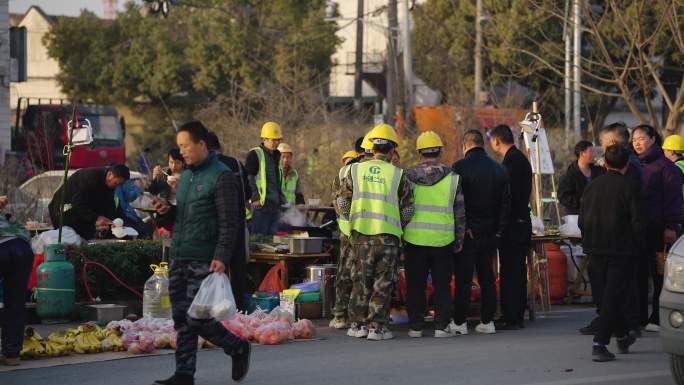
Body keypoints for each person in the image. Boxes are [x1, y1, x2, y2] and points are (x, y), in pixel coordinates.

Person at [152, 121, 250, 385]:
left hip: (205, 258)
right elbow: (184, 216)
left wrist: (221, 256)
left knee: (198, 318)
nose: (181, 151)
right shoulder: (186, 178)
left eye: (185, 146)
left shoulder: (222, 176)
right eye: (180, 146)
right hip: (180, 254)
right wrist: (166, 211)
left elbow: (230, 222)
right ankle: (184, 374)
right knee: (181, 318)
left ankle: (237, 347)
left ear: (201, 144)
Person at [338, 124, 414, 341]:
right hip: (388, 237)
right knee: (382, 282)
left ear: (372, 150)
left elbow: (343, 201)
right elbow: (408, 208)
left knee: (361, 280)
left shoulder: (354, 170)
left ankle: (357, 325)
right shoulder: (398, 175)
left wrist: (349, 219)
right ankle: (376, 327)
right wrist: (399, 224)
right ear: (391, 152)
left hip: (361, 234)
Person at [579, 144, 643, 362]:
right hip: (621, 250)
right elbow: (638, 222)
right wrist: (640, 246)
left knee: (605, 296)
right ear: (627, 164)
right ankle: (600, 342)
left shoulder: (592, 186)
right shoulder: (631, 186)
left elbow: (581, 219)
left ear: (604, 163)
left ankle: (623, 336)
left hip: (595, 248)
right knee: (612, 297)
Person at [403, 131, 465, 338]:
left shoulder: (408, 177)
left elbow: (403, 208)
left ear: (420, 152)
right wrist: (459, 238)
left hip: (414, 240)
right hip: (443, 240)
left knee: (415, 285)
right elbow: (460, 211)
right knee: (442, 286)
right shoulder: (453, 177)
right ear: (439, 150)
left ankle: (415, 327)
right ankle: (440, 326)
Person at [451, 129, 511, 335]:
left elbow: (455, 203)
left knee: (464, 279)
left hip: (468, 233)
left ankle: (459, 322)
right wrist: (498, 231)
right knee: (487, 277)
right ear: (482, 145)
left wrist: (463, 228)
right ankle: (488, 320)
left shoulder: (459, 168)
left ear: (464, 146)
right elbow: (506, 205)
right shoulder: (500, 170)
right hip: (490, 233)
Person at [631, 124, 683, 332]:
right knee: (639, 274)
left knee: (659, 274)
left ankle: (658, 317)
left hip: (660, 229)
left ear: (653, 139)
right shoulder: (634, 165)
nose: (637, 143)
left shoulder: (665, 167)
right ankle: (640, 316)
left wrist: (671, 226)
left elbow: (674, 200)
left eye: (642, 138)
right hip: (638, 229)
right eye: (634, 139)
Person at [488, 124, 533, 330]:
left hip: (514, 224)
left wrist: (500, 224)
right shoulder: (519, 158)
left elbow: (508, 198)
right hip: (522, 221)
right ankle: (516, 314)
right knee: (517, 270)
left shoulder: (511, 162)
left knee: (510, 272)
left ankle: (511, 316)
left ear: (496, 141)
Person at [205, 131, 250, 312]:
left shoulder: (207, 167)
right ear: (220, 147)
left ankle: (215, 308)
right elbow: (248, 192)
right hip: (238, 220)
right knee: (237, 268)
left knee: (214, 266)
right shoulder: (236, 164)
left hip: (214, 224)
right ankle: (238, 309)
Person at [48, 164, 130, 239]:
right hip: (62, 211)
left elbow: (108, 204)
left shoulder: (108, 185)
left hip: (80, 212)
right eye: (116, 183)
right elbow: (78, 203)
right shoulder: (90, 178)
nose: (116, 186)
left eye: (119, 184)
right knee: (75, 239)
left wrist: (111, 221)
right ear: (110, 175)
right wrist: (96, 218)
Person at [329, 149, 363, 329]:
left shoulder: (344, 172)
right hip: (363, 230)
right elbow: (339, 203)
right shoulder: (360, 172)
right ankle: (348, 314)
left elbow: (337, 203)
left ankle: (342, 315)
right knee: (356, 273)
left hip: (349, 228)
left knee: (347, 272)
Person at [0, 196, 34, 366]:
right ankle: (12, 354)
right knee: (15, 303)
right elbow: (24, 231)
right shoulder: (6, 216)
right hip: (22, 248)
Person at [245, 121, 285, 235]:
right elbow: (249, 177)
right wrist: (254, 197)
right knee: (258, 239)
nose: (275, 143)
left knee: (272, 241)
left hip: (275, 205)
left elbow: (277, 181)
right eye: (273, 140)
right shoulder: (255, 154)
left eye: (277, 140)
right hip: (261, 206)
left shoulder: (277, 156)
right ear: (264, 139)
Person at [558, 140, 604, 215]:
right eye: (591, 152)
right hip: (577, 216)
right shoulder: (569, 175)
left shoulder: (599, 171)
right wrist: (580, 201)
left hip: (597, 214)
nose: (594, 155)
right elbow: (563, 197)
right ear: (582, 153)